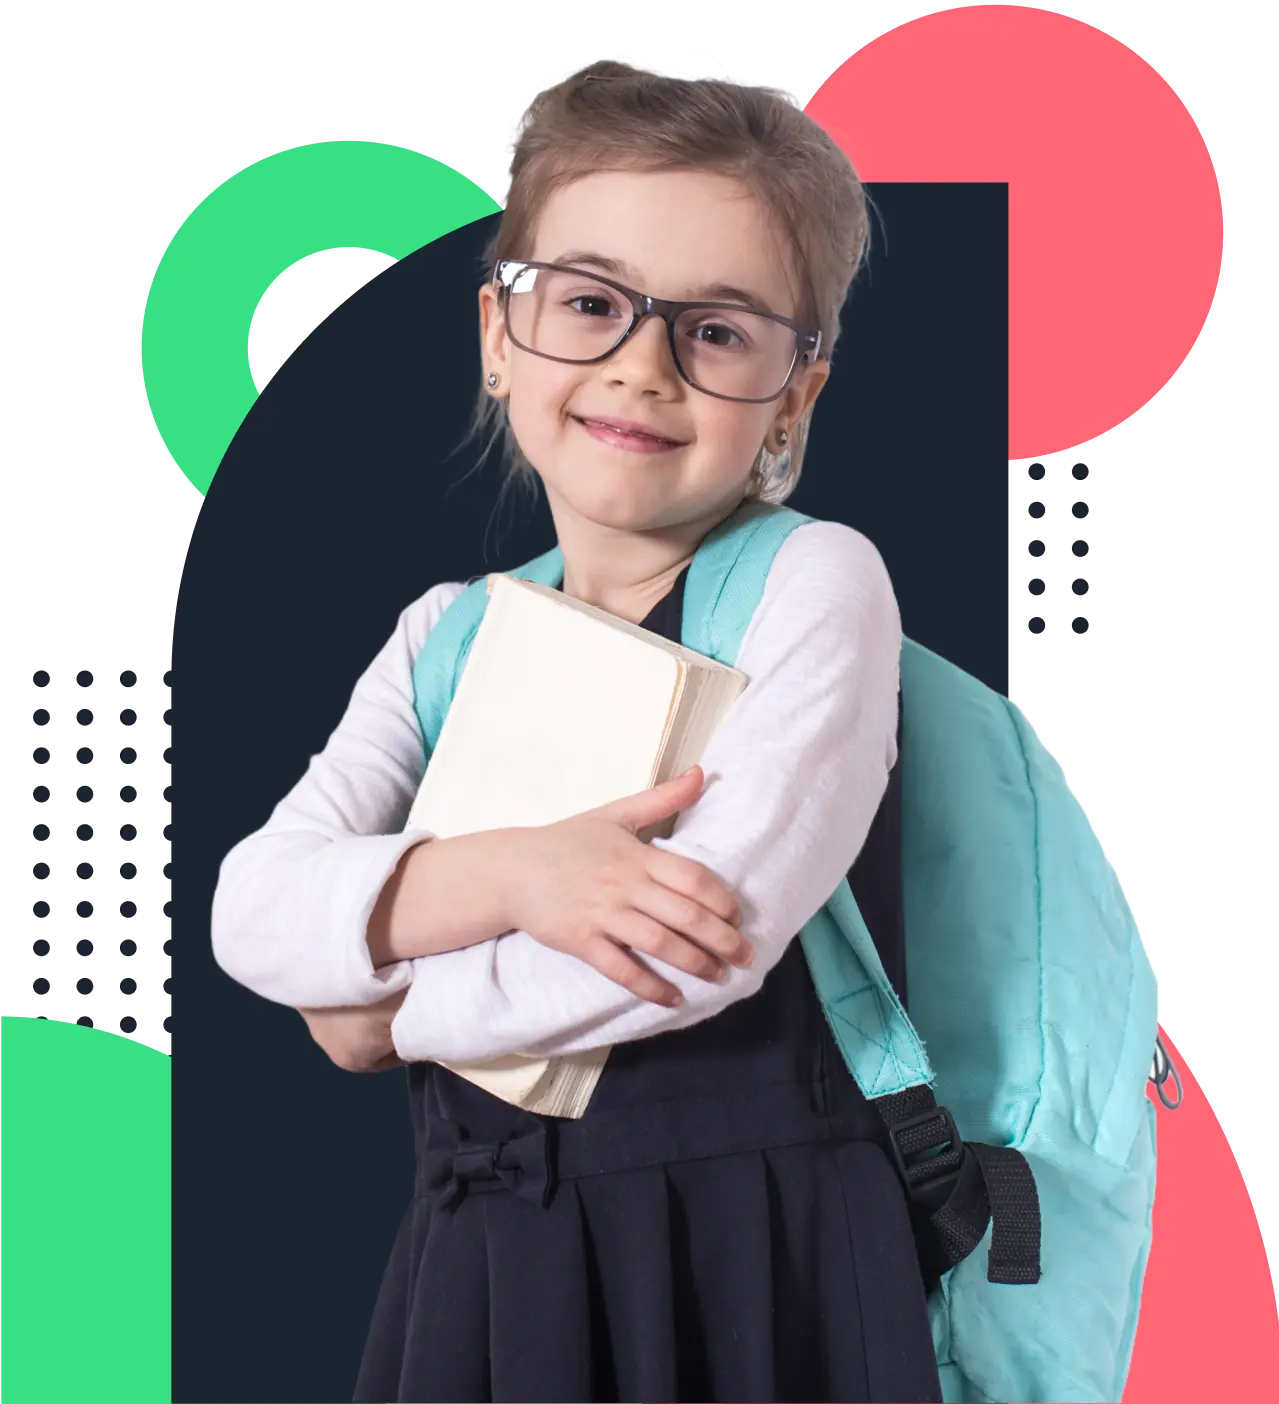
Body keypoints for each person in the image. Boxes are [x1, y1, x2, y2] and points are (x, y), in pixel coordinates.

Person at [211, 57, 941, 1404]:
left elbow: (692, 943)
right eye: (591, 303)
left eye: (716, 332)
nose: (639, 368)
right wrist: (512, 878)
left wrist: (379, 997)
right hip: (486, 1246)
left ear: (796, 394)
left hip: (746, 1250)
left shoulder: (812, 583)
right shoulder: (446, 631)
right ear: (499, 336)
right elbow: (252, 906)